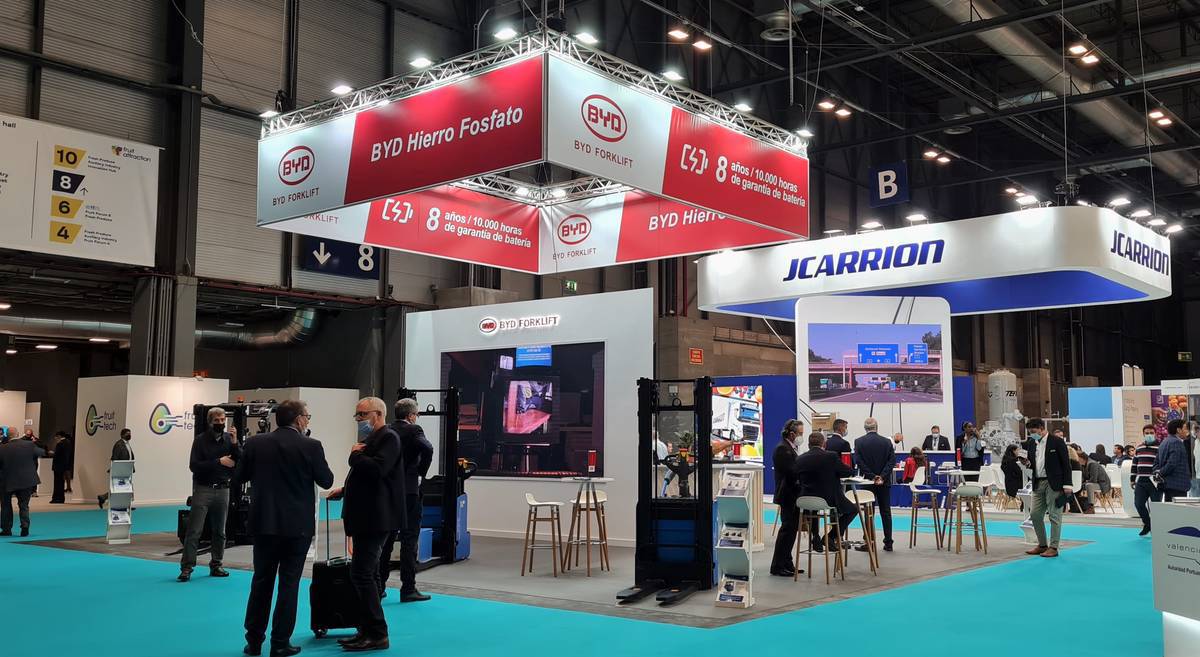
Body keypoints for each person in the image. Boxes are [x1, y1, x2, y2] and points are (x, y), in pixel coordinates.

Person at [237, 400, 334, 657]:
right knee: (289, 585)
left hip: (264, 524)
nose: (307, 420)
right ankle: (280, 643)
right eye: (307, 416)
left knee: (261, 581)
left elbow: (239, 477)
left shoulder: (255, 444)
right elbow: (326, 480)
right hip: (296, 527)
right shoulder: (311, 446)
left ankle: (254, 640)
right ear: (299, 419)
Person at [335, 397, 405, 653]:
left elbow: (378, 471)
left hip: (376, 518)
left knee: (362, 574)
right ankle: (366, 628)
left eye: (363, 415)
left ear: (378, 414)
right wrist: (346, 489)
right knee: (364, 573)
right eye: (357, 415)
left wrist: (355, 456)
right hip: (367, 517)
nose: (359, 420)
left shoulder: (388, 438)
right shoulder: (374, 439)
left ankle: (377, 632)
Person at [179, 407, 242, 582]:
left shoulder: (229, 440)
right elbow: (194, 466)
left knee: (220, 531)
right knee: (194, 531)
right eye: (217, 421)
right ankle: (187, 568)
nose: (221, 423)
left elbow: (240, 459)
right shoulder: (200, 441)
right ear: (210, 422)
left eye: (223, 420)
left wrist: (235, 442)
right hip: (203, 489)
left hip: (223, 490)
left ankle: (216, 564)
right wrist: (219, 462)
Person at [388, 397, 434, 602]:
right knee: (409, 539)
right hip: (409, 491)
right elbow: (428, 448)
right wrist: (420, 472)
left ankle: (379, 585)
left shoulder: (388, 430)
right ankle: (408, 588)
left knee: (387, 539)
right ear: (411, 416)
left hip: (390, 491)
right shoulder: (414, 430)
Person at [796, 431, 857, 551]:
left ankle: (815, 537)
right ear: (824, 444)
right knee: (852, 510)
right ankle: (830, 536)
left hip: (805, 500)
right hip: (828, 499)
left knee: (813, 510)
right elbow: (846, 472)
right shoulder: (831, 456)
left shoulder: (800, 459)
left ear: (808, 444)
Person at [1021, 418, 1072, 558]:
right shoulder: (1032, 443)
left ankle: (1053, 547)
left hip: (1054, 483)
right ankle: (1042, 545)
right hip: (1038, 482)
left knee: (1054, 515)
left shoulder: (1057, 442)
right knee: (1035, 515)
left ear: (1041, 428)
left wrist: (1067, 485)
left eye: (1034, 431)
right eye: (1030, 432)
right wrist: (1027, 463)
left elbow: (1066, 464)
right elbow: (1034, 463)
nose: (1032, 434)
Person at [854, 418, 896, 551]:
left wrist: (872, 476)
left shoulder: (859, 442)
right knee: (886, 511)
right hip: (884, 481)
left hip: (867, 482)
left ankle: (869, 542)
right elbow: (891, 461)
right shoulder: (887, 442)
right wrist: (882, 476)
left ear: (865, 428)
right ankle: (888, 542)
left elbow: (859, 462)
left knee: (868, 512)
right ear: (877, 427)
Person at [770, 420, 804, 577]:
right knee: (787, 530)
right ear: (791, 434)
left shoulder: (789, 447)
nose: (801, 436)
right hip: (787, 494)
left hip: (792, 494)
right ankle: (778, 565)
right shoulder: (782, 449)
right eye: (800, 433)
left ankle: (787, 562)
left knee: (791, 530)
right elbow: (790, 472)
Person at [0, 430, 44, 536]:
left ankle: (6, 529)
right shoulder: (29, 445)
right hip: (26, 480)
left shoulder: (2, 448)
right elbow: (42, 452)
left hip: (7, 480)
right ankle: (25, 527)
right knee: (24, 505)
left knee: (5, 505)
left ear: (7, 436)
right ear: (18, 434)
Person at [1132, 425, 1160, 535]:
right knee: (1138, 504)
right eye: (1147, 433)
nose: (1149, 435)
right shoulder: (1139, 448)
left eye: (1151, 433)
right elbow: (1134, 464)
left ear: (1155, 433)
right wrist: (1132, 479)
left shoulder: (1160, 447)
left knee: (1156, 507)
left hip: (1154, 482)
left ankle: (1157, 528)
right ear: (1143, 434)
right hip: (1141, 481)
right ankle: (1148, 524)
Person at [1155, 419, 1192, 502]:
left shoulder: (1164, 442)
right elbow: (1172, 463)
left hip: (1167, 484)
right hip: (1177, 485)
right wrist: (1161, 473)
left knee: (1170, 508)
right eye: (1185, 428)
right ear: (1178, 430)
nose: (1187, 431)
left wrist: (1158, 472)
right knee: (1177, 509)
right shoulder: (1177, 442)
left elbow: (1156, 462)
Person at [97, 428, 135, 509]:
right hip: (120, 469)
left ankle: (104, 497)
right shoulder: (119, 444)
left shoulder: (127, 444)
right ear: (122, 435)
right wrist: (114, 468)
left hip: (127, 469)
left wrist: (132, 468)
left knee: (124, 487)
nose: (129, 435)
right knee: (122, 488)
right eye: (127, 433)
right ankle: (127, 504)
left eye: (130, 433)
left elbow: (130, 457)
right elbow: (114, 458)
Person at [50, 431, 74, 504]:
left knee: (57, 483)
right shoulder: (68, 443)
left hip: (58, 466)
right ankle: (61, 498)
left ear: (59, 436)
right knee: (61, 482)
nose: (55, 438)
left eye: (56, 437)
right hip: (64, 465)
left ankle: (56, 498)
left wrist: (52, 453)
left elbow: (57, 455)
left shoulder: (60, 444)